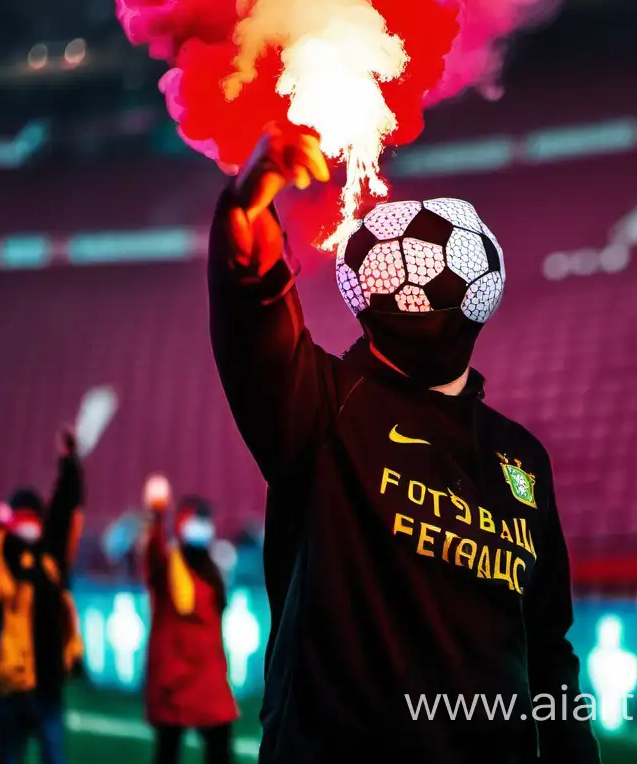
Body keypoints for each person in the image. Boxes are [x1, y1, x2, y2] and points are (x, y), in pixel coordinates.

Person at [208, 126, 600, 763]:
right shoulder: (324, 408)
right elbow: (253, 315)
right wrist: (246, 212)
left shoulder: (521, 457)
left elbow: (547, 646)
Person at [0, 431, 84, 764]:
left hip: (47, 681)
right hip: (10, 685)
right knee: (9, 755)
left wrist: (70, 464)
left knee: (52, 754)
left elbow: (66, 507)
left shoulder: (49, 559)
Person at [141, 475, 237, 764]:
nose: (202, 528)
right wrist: (156, 516)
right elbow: (152, 552)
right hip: (174, 680)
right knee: (168, 751)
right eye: (196, 521)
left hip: (208, 678)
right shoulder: (168, 564)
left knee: (220, 750)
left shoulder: (212, 570)